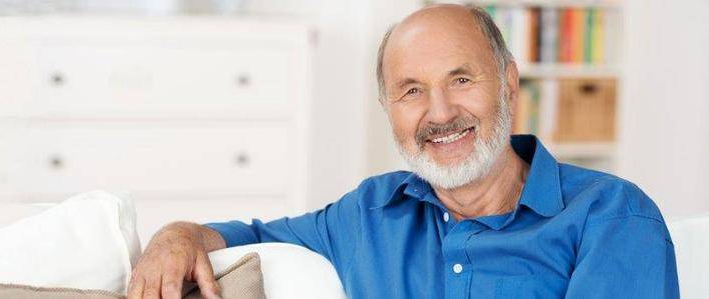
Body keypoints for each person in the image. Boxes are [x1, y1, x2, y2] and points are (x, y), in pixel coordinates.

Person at [127, 4, 679, 299]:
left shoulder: (611, 217)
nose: (439, 114)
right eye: (411, 90)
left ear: (509, 84)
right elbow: (250, 237)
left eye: (461, 80)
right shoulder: (369, 213)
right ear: (388, 108)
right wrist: (177, 234)